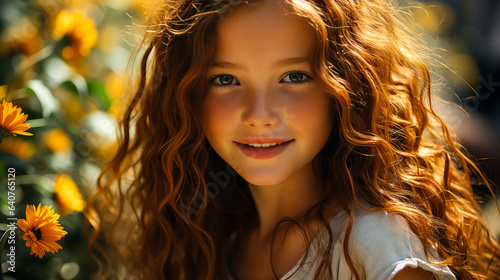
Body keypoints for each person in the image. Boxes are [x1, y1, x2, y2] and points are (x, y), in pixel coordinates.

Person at [84, 0, 500, 279]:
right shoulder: (205, 229)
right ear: (185, 94)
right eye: (225, 79)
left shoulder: (376, 249)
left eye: (294, 77)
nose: (259, 115)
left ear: (347, 86)